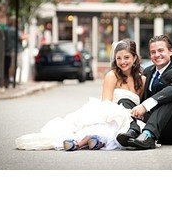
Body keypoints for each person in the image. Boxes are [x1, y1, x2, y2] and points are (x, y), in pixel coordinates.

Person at [15, 39, 145, 151]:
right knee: (111, 125)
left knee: (126, 127)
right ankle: (80, 141)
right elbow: (106, 104)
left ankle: (94, 141)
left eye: (126, 57)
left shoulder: (142, 80)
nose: (122, 61)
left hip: (131, 116)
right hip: (110, 113)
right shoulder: (112, 76)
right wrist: (121, 114)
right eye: (119, 58)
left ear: (134, 58)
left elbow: (140, 104)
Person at [118, 35, 172, 150]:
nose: (156, 55)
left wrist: (146, 105)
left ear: (170, 51)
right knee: (125, 100)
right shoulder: (148, 71)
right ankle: (133, 130)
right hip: (154, 123)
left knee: (169, 98)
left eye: (160, 50)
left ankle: (148, 136)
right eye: (153, 52)